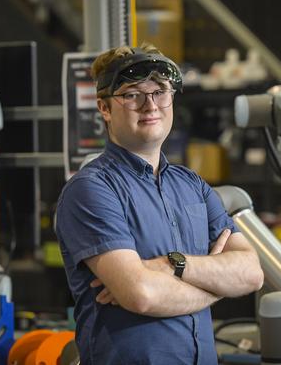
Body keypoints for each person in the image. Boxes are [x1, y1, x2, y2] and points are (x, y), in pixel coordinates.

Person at [55, 43, 264, 365]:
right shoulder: (92, 189)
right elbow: (142, 294)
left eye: (160, 92)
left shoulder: (192, 185)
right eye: (132, 94)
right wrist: (217, 286)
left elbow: (251, 274)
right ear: (105, 107)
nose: (150, 105)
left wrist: (171, 265)